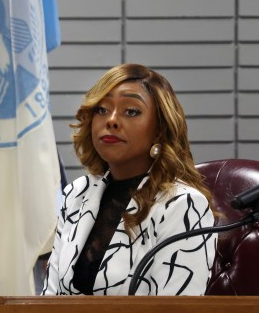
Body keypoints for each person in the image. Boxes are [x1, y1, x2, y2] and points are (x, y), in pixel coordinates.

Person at [42, 63, 217, 296]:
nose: (111, 120)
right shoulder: (76, 194)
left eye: (131, 111)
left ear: (159, 131)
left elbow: (176, 309)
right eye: (102, 110)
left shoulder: (183, 205)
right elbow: (49, 299)